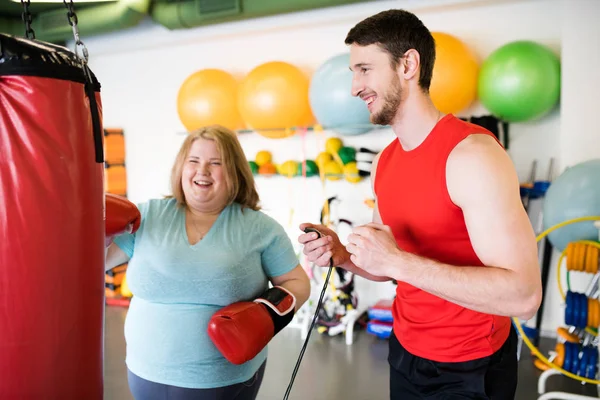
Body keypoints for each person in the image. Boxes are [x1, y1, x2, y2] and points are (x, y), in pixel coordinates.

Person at [298, 9, 542, 400]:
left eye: (364, 69)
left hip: (471, 367)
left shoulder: (471, 155)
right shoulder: (386, 161)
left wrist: (396, 262)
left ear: (408, 64)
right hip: (405, 353)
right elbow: (389, 265)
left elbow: (524, 296)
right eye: (353, 73)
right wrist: (341, 254)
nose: (354, 87)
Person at [105, 124, 310, 400]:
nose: (202, 171)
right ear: (181, 167)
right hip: (144, 373)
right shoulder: (146, 216)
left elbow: (297, 282)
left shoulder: (260, 228)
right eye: (194, 161)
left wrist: (267, 312)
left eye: (216, 163)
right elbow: (97, 265)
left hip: (223, 381)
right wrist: (96, 233)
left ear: (235, 171)